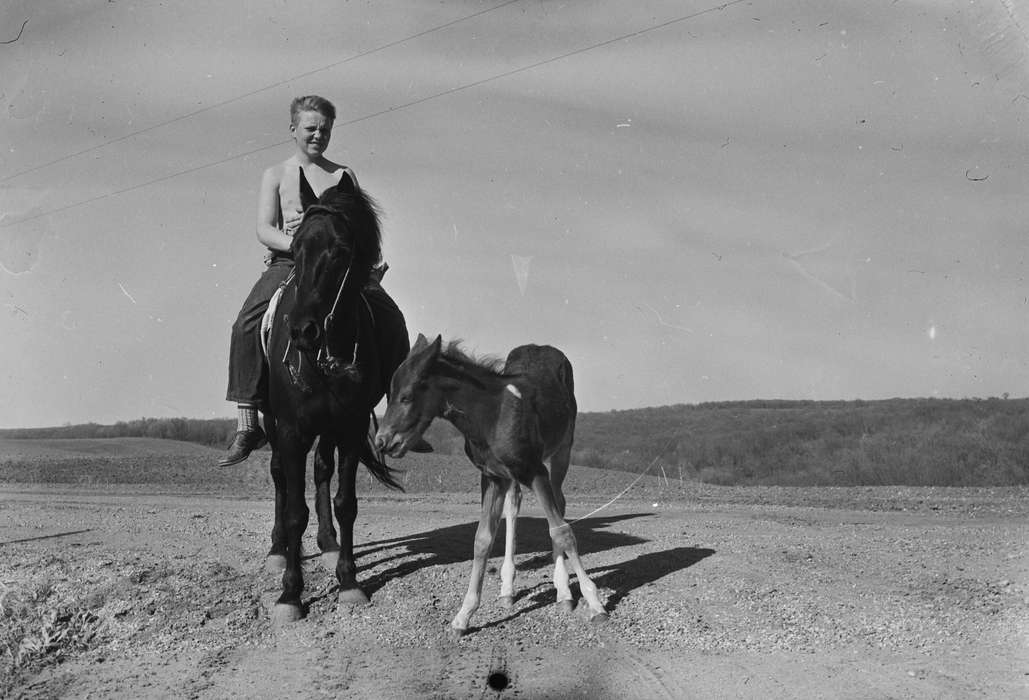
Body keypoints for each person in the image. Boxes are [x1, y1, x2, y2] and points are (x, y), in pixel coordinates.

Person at [220, 95, 421, 466]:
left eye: (325, 129)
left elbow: (361, 226)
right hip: (290, 261)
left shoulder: (344, 175)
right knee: (245, 323)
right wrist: (297, 245)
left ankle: (398, 409)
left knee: (391, 317)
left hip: (339, 267)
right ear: (293, 129)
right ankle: (248, 422)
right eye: (310, 128)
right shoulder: (276, 174)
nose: (318, 135)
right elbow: (265, 228)